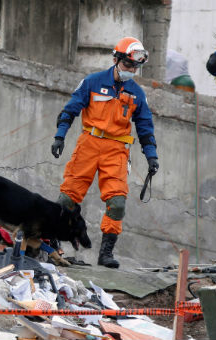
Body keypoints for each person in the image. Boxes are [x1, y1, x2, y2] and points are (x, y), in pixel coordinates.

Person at [50, 37, 159, 269]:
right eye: (128, 65)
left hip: (117, 150)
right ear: (116, 59)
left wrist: (151, 156)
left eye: (135, 67)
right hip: (89, 144)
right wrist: (60, 136)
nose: (132, 70)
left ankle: (106, 253)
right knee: (67, 197)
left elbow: (146, 128)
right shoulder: (92, 82)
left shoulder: (137, 94)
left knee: (117, 203)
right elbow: (70, 110)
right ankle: (52, 241)